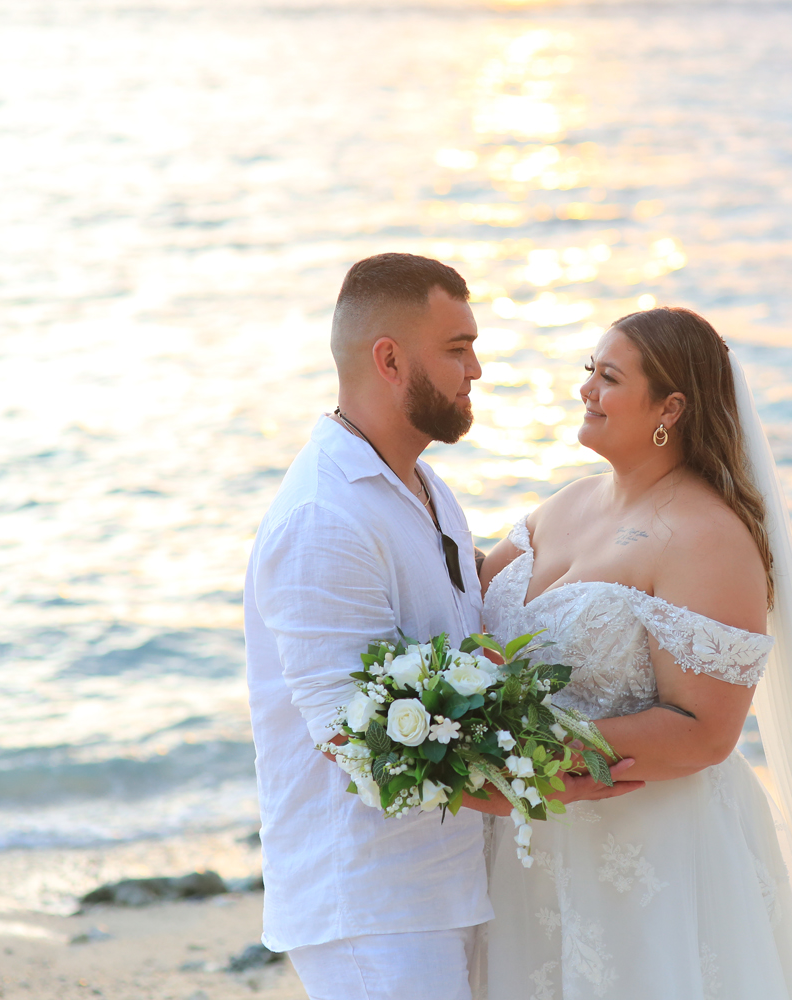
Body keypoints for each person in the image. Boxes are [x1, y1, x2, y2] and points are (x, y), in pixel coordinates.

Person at [477, 307, 792, 1000]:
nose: (586, 392)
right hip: (528, 843)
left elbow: (705, 732)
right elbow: (470, 617)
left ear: (671, 407)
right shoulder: (565, 503)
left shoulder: (707, 537)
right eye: (589, 373)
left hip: (646, 854)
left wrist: (525, 754)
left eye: (608, 377)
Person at [244, 253, 639, 1000]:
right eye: (457, 348)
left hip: (445, 883)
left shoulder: (424, 486)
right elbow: (352, 744)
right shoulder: (324, 518)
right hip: (370, 901)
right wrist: (538, 786)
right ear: (389, 359)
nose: (478, 370)